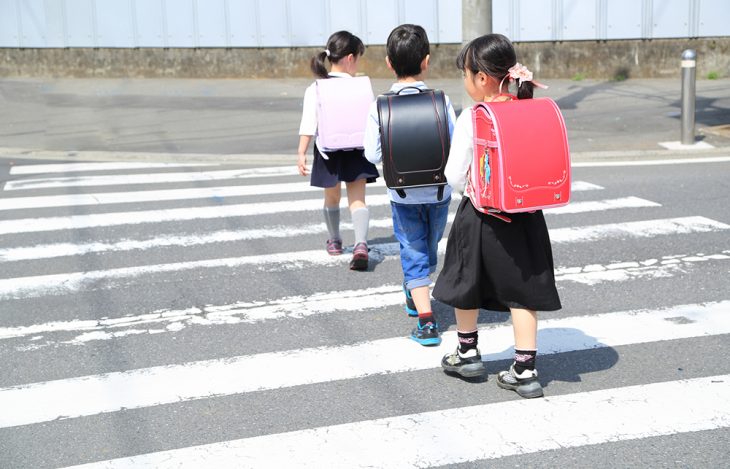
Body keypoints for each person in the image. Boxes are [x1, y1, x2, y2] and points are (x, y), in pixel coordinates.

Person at [433, 34, 562, 398]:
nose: (464, 81)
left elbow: (455, 173)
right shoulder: (529, 108)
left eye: (466, 74)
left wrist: (472, 189)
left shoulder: (474, 117)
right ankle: (524, 368)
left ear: (483, 78)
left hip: (481, 214)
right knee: (522, 293)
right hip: (525, 215)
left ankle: (467, 352)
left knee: (465, 280)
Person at [363, 24, 456, 346]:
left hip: (402, 194)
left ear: (389, 62)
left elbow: (371, 153)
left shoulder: (380, 105)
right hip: (440, 190)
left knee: (413, 248)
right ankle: (424, 309)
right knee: (428, 248)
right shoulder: (440, 101)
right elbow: (454, 145)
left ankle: (420, 307)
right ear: (426, 61)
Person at [298, 31, 379, 271]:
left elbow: (308, 123)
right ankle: (361, 244)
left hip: (327, 151)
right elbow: (372, 119)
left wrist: (301, 152)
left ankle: (334, 241)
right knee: (358, 200)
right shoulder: (361, 86)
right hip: (357, 149)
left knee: (331, 198)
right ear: (351, 58)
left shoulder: (316, 87)